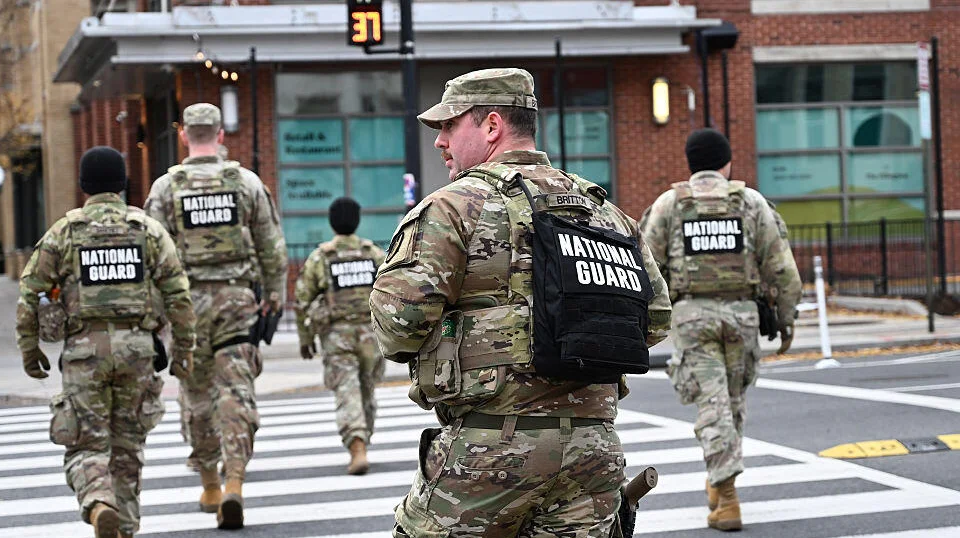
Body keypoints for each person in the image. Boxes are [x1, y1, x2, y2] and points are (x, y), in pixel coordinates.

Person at [369, 68, 672, 537]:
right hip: (593, 455)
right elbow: (653, 320)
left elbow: (398, 326)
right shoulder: (606, 213)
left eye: (449, 126)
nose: (439, 142)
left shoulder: (453, 208)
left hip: (491, 451)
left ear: (492, 126)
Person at [16, 146, 196, 538]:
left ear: (83, 186)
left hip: (84, 354)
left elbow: (30, 291)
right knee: (128, 450)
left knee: (85, 444)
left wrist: (30, 349)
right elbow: (179, 295)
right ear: (123, 184)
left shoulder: (65, 232)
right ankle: (125, 528)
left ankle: (98, 502)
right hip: (138, 351)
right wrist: (184, 350)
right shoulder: (147, 230)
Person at [639, 128, 802, 531]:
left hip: (693, 317)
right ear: (727, 163)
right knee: (731, 404)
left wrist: (648, 323)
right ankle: (720, 480)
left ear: (690, 164)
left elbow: (645, 268)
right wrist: (785, 319)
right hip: (742, 317)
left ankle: (725, 495)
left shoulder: (670, 205)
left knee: (714, 406)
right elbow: (783, 270)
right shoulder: (750, 202)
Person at [144, 102, 288, 530]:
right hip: (236, 304)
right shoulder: (245, 183)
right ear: (221, 135)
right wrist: (274, 300)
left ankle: (208, 483)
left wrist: (155, 319)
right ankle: (235, 483)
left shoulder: (166, 189)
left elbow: (153, 257)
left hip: (186, 307)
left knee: (196, 393)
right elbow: (271, 246)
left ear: (185, 136)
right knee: (236, 391)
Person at [294, 197, 386, 475]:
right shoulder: (373, 255)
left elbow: (302, 300)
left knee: (347, 389)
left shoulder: (322, 257)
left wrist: (305, 337)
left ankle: (357, 444)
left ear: (331, 223)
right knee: (366, 389)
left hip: (337, 336)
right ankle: (363, 440)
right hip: (371, 334)